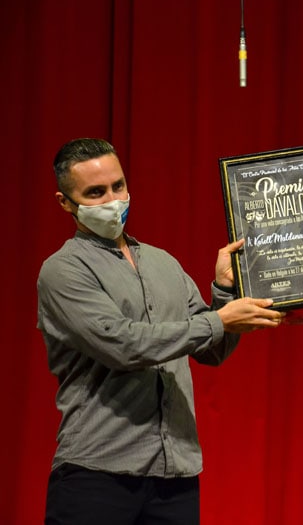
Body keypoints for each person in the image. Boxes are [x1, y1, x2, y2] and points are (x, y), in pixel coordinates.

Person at [37, 138, 285, 525]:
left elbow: (212, 352)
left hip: (175, 476)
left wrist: (225, 292)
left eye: (118, 186)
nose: (113, 200)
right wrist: (220, 319)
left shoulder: (163, 263)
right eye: (96, 193)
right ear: (65, 202)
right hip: (97, 474)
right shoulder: (63, 270)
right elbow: (124, 345)